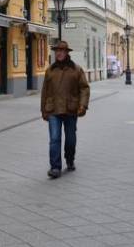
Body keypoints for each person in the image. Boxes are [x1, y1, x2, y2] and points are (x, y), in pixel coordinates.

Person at [41, 41, 90, 179]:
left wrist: (83, 105)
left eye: (62, 51)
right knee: (54, 138)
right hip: (53, 109)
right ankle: (55, 167)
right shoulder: (50, 70)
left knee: (70, 139)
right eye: (57, 51)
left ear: (67, 52)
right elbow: (45, 91)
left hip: (71, 109)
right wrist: (43, 110)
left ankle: (69, 159)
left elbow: (84, 88)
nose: (59, 53)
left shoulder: (76, 69)